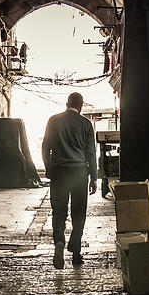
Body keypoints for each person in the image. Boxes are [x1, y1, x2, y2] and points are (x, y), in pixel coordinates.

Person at [42, 92, 98, 268]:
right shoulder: (86, 124)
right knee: (79, 213)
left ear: (67, 104)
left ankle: (59, 241)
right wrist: (94, 177)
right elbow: (91, 153)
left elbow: (45, 147)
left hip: (59, 172)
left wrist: (49, 168)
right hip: (79, 173)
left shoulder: (53, 120)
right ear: (80, 106)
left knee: (58, 211)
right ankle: (76, 252)